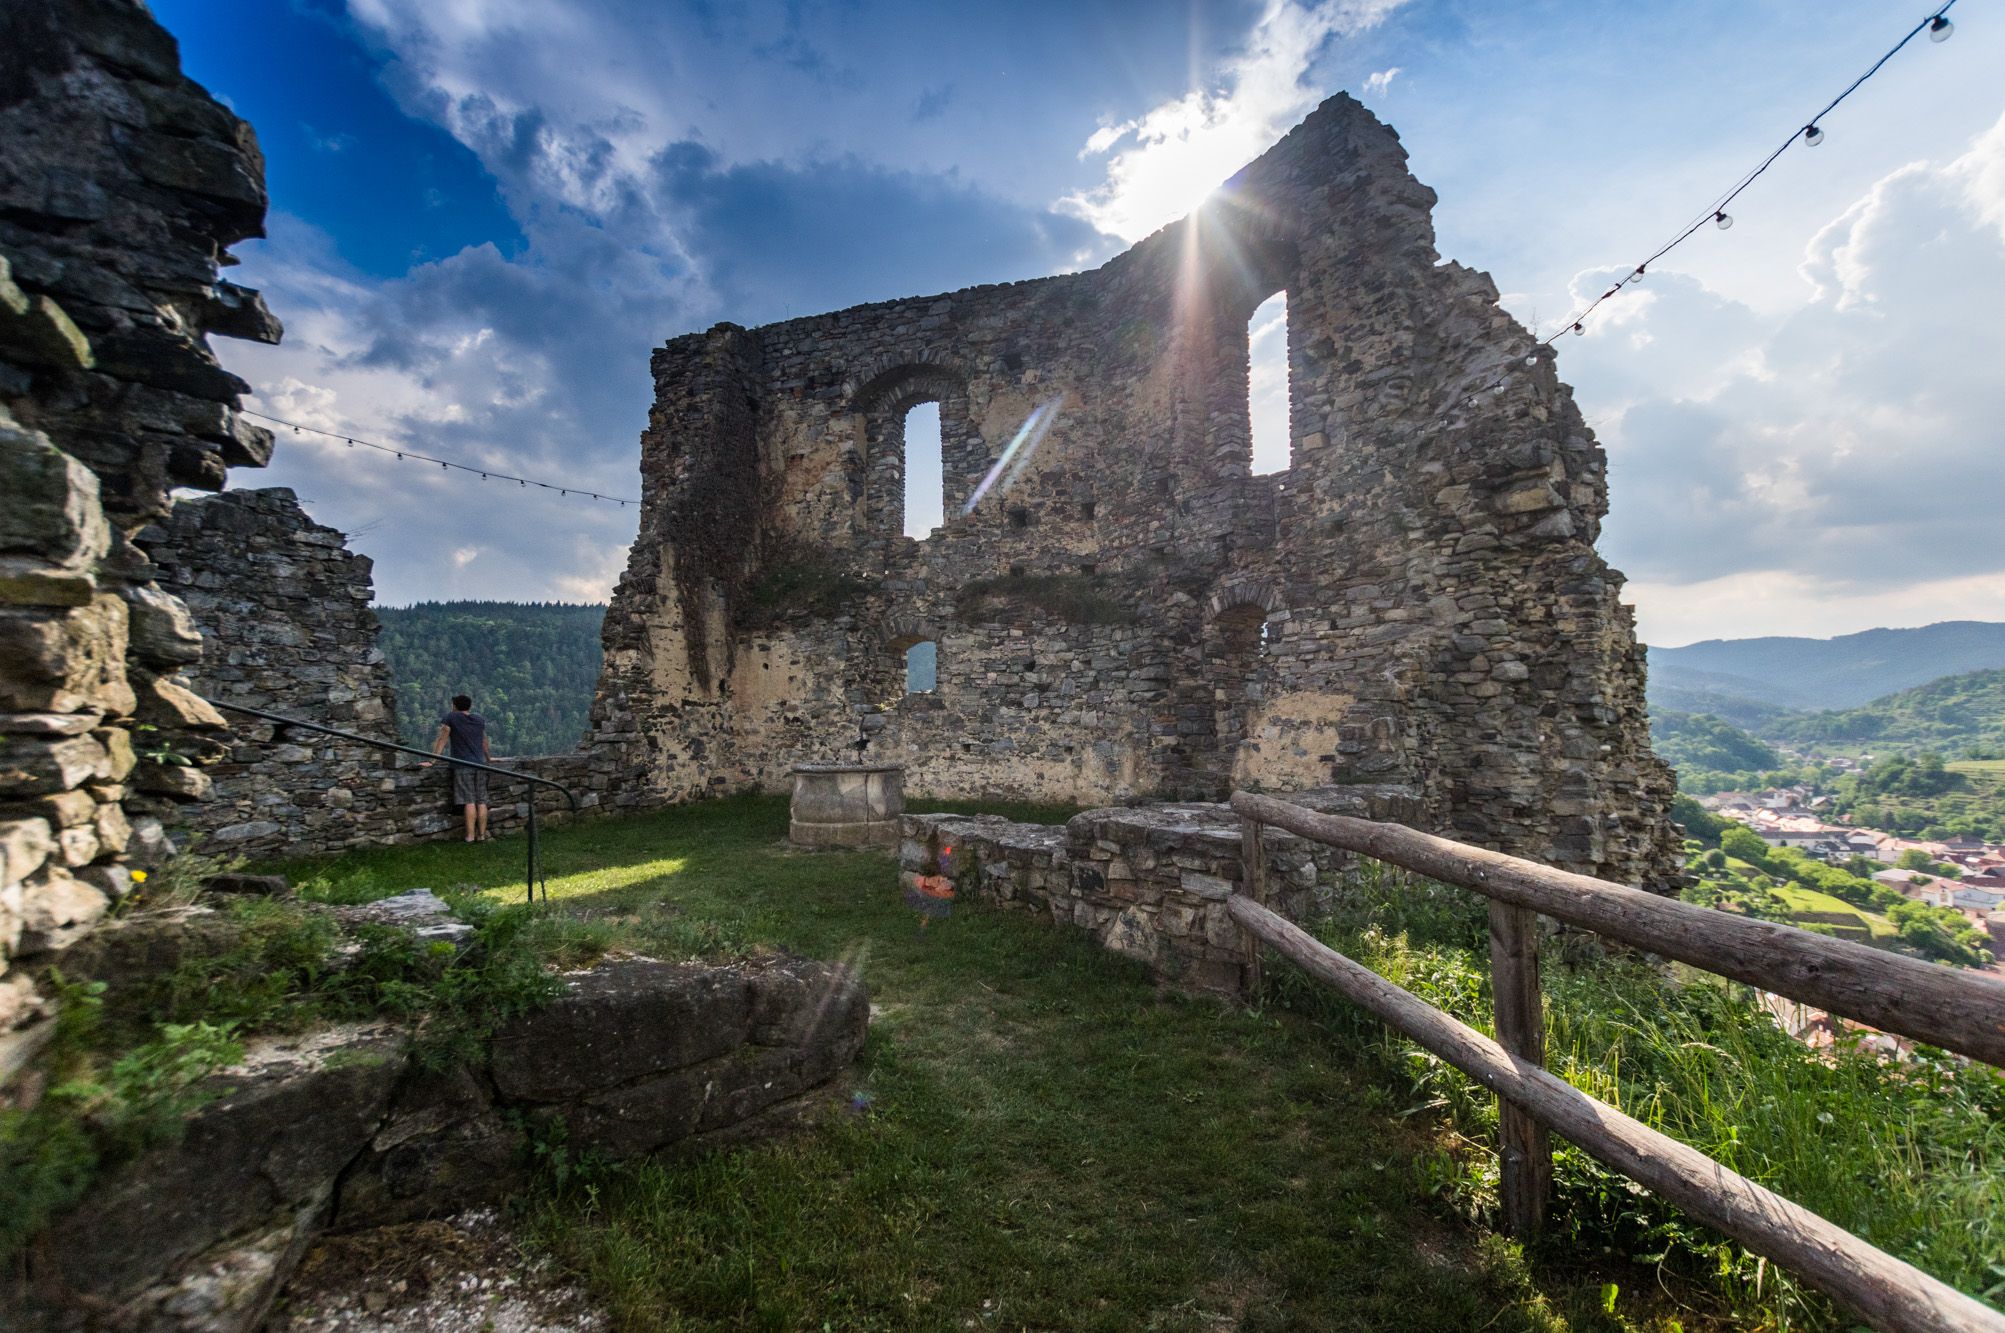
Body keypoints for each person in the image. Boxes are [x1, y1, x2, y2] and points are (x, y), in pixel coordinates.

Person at [423, 694, 492, 842]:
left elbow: (443, 738)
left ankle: (470, 836)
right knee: (481, 800)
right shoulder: (479, 719)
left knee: (469, 800)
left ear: (454, 706)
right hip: (480, 764)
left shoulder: (451, 717)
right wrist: (489, 758)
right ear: (469, 706)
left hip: (463, 764)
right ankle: (482, 835)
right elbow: (484, 741)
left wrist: (433, 760)